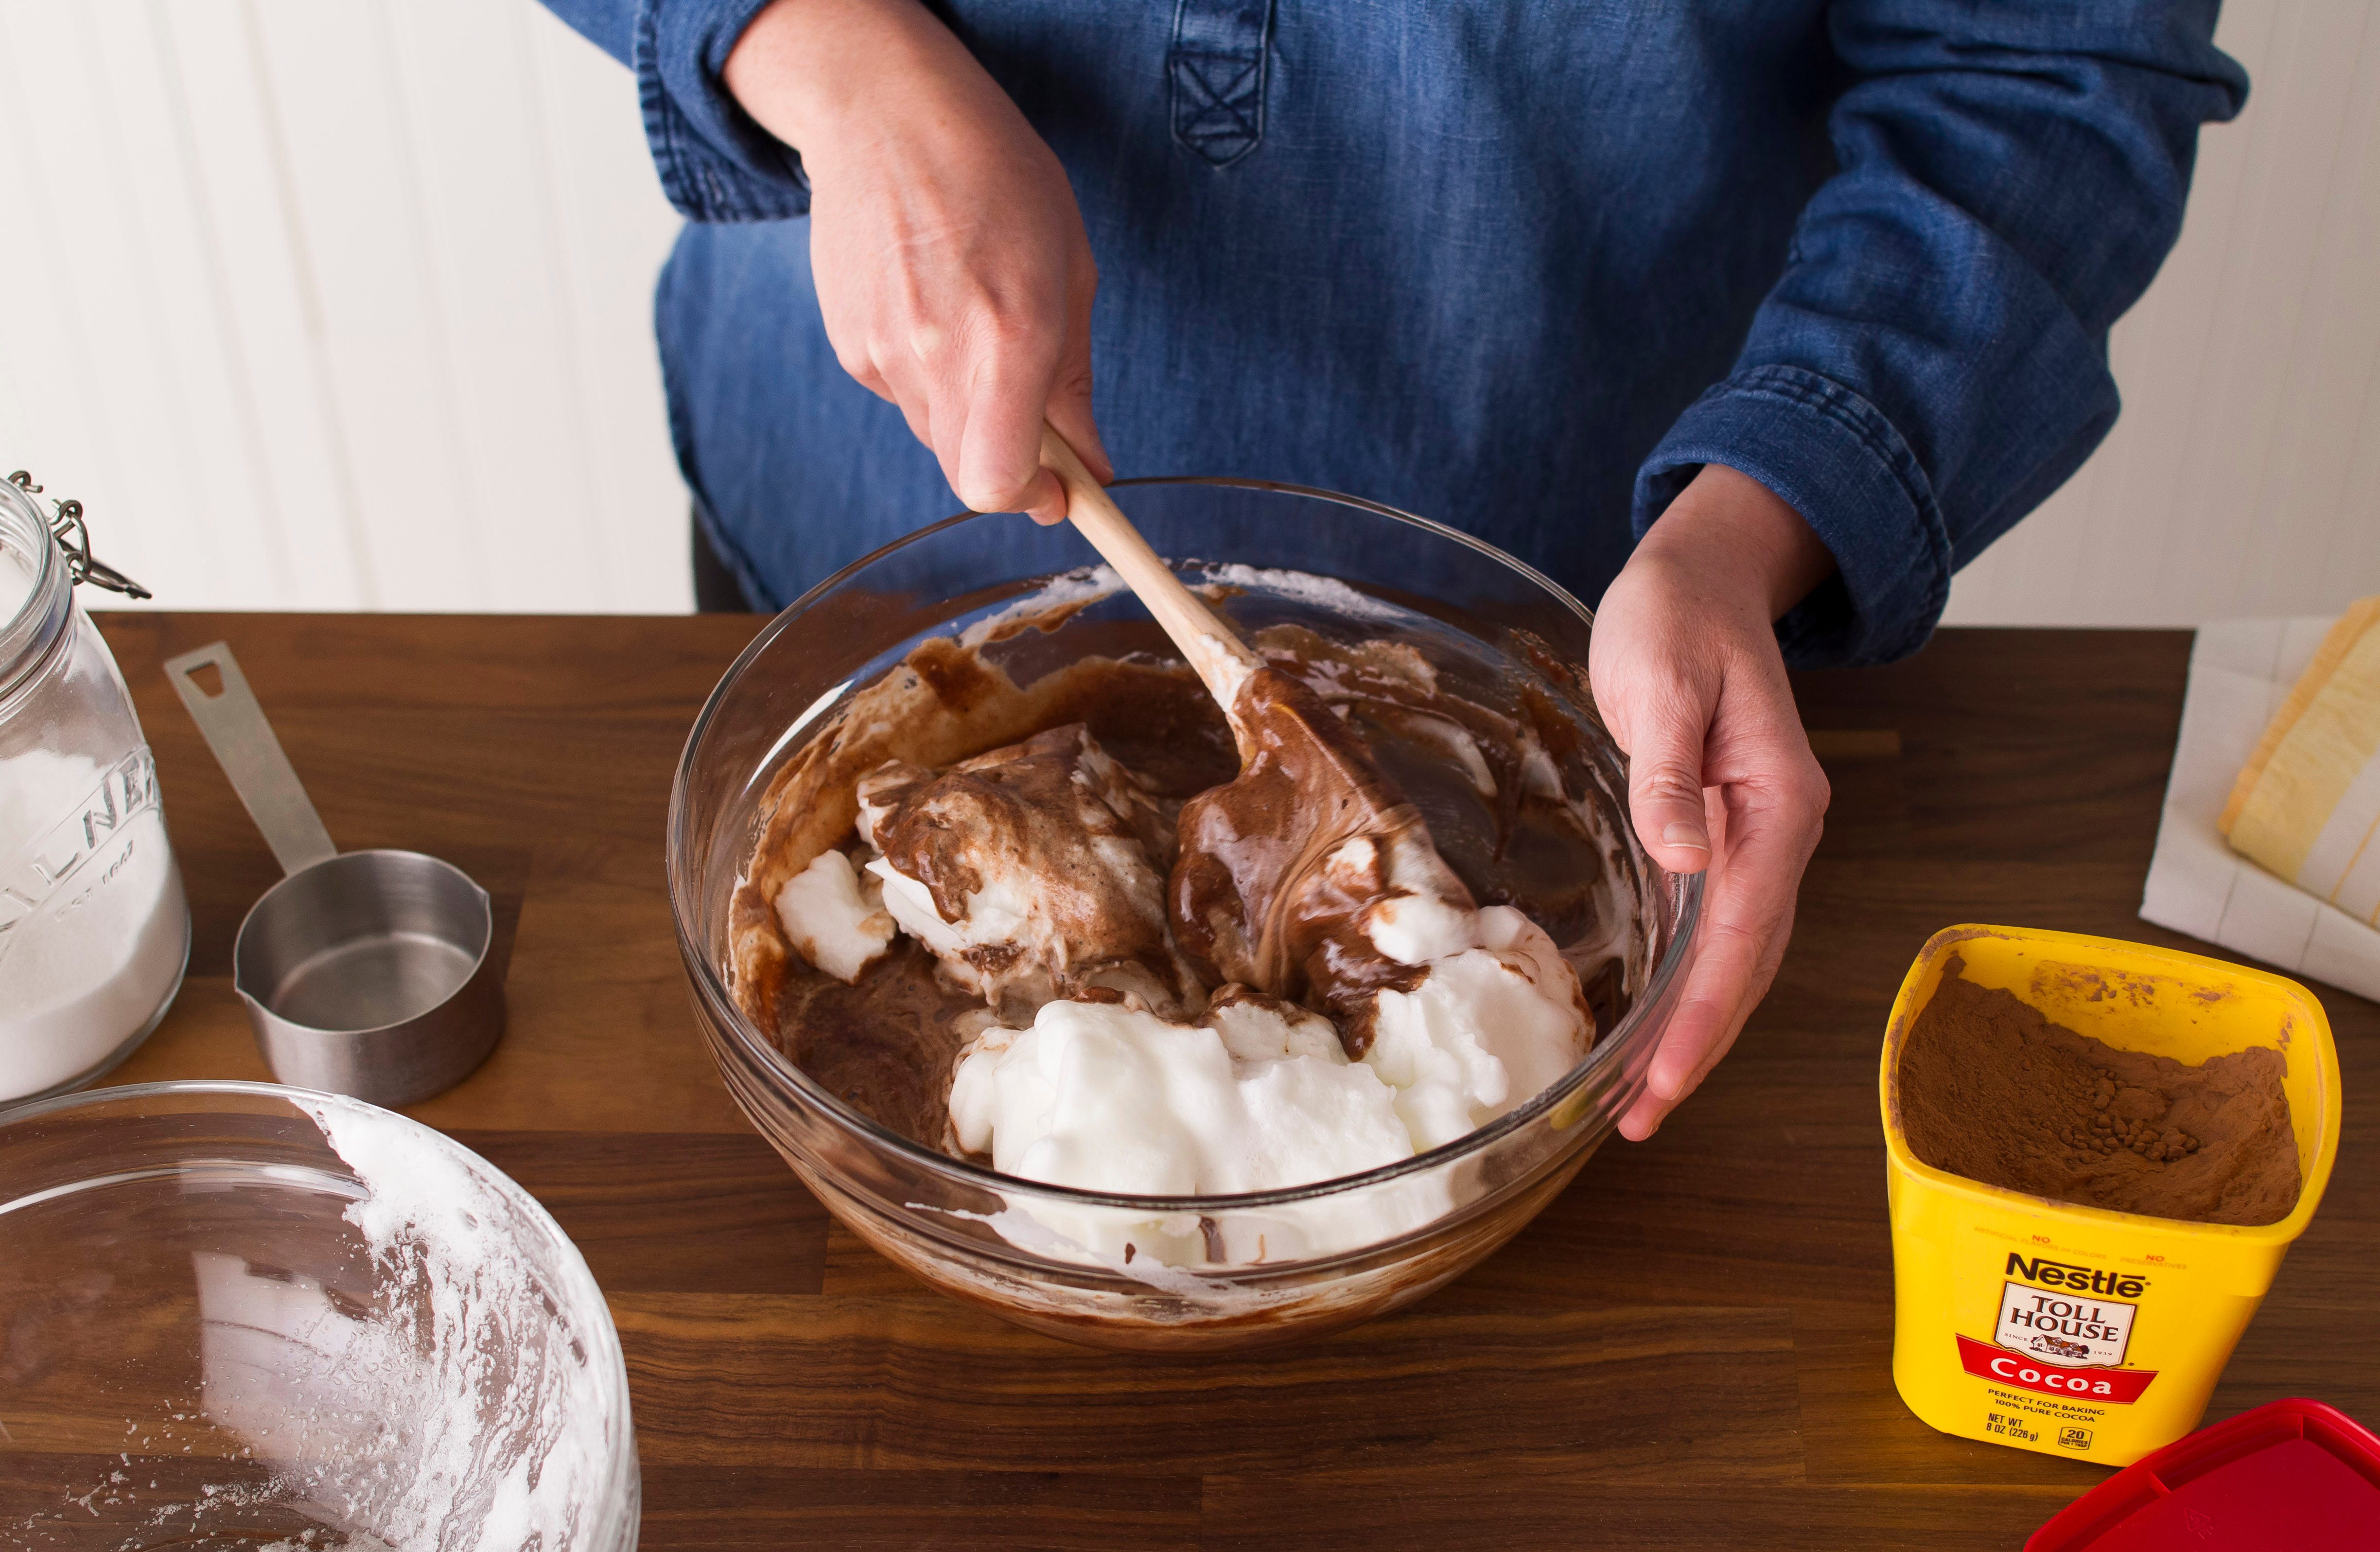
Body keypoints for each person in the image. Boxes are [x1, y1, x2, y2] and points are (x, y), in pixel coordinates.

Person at [544, 0, 2245, 1137]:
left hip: (1612, 622)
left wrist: (1758, 516)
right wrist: (814, 42)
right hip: (853, 510)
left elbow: (2051, 64)